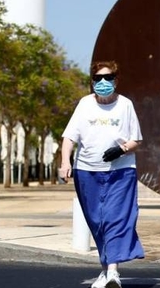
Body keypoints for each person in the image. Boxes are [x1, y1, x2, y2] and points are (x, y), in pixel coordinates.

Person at [60, 61, 144, 288]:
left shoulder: (125, 105)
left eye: (108, 78)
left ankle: (114, 271)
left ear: (116, 80)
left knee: (115, 219)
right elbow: (69, 137)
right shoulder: (85, 104)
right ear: (92, 81)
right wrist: (65, 161)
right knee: (97, 221)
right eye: (98, 79)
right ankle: (105, 269)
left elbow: (136, 139)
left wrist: (121, 149)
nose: (103, 83)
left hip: (120, 171)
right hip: (87, 171)